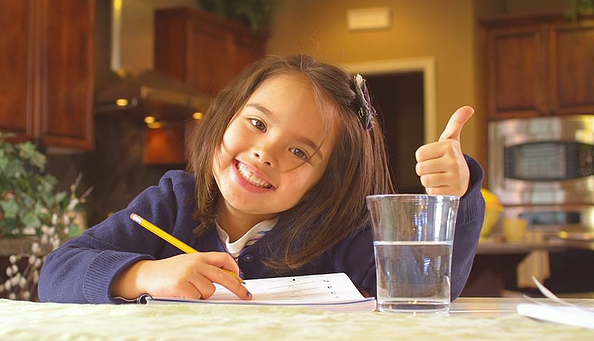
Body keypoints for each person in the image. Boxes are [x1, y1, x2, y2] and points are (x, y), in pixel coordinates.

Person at [38, 54, 485, 304]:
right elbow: (57, 272)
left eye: (298, 151)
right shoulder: (174, 201)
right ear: (226, 116)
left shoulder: (338, 236)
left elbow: (426, 290)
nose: (264, 152)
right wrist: (143, 275)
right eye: (256, 123)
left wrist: (455, 197)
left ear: (324, 180)